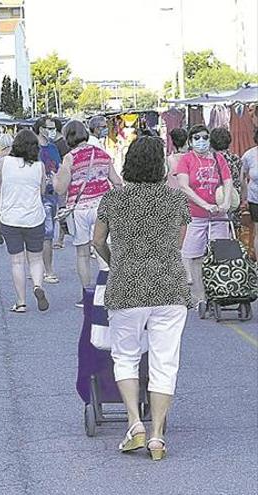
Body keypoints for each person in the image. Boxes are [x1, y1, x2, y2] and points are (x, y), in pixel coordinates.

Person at [92, 136, 191, 462]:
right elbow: (177, 246)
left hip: (127, 288)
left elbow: (97, 241)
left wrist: (114, 260)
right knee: (165, 362)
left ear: (129, 163)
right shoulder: (176, 201)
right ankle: (158, 436)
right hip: (170, 288)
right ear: (160, 164)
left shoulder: (113, 199)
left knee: (126, 356)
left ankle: (135, 423)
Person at [54, 120, 122, 307]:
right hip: (102, 207)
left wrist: (54, 178)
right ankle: (108, 292)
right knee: (103, 250)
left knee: (83, 254)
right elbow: (117, 181)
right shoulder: (102, 154)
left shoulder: (70, 157)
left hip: (80, 210)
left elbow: (60, 189)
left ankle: (88, 295)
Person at [175, 125, 233, 313]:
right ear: (190, 142)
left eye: (204, 137)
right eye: (197, 138)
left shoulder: (218, 158)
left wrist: (225, 203)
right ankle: (201, 297)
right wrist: (204, 205)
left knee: (220, 255)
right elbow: (184, 186)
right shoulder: (186, 160)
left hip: (219, 216)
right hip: (196, 215)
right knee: (195, 256)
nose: (201, 141)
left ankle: (219, 292)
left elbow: (228, 181)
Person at [0, 129, 50, 313]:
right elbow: (42, 191)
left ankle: (21, 302)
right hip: (34, 217)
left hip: (10, 218)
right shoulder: (39, 166)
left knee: (17, 261)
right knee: (35, 258)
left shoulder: (4, 163)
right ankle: (37, 285)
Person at [33, 116, 64, 283]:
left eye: (54, 128)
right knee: (44, 234)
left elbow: (58, 169)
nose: (52, 131)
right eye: (49, 127)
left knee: (47, 234)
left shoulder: (53, 147)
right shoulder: (31, 148)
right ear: (40, 128)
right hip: (36, 196)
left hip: (51, 195)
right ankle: (47, 270)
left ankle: (42, 268)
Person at [211, 127, 244, 228]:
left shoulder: (209, 160)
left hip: (214, 204)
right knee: (231, 235)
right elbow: (241, 182)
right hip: (233, 202)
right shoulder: (236, 159)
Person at [240, 128, 258, 259]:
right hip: (255, 199)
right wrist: (244, 198)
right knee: (257, 231)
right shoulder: (249, 155)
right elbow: (242, 178)